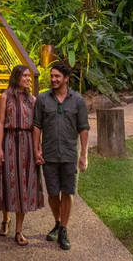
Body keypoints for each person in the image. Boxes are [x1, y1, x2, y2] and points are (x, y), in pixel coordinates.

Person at [33, 61, 89, 251]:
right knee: (52, 193)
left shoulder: (78, 101)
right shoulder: (42, 99)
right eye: (52, 76)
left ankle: (63, 229)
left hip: (70, 153)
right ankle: (57, 222)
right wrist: (36, 149)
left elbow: (83, 128)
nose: (53, 79)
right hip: (48, 153)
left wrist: (84, 155)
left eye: (57, 76)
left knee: (68, 191)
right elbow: (37, 126)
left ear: (66, 79)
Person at [0, 64, 44, 246]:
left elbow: (37, 126)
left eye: (28, 76)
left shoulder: (32, 99)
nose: (27, 79)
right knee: (9, 182)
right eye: (24, 76)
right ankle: (5, 219)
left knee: (24, 185)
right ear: (16, 77)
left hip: (27, 143)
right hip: (10, 141)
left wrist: (38, 148)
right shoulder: (5, 97)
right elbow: (0, 123)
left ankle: (19, 230)